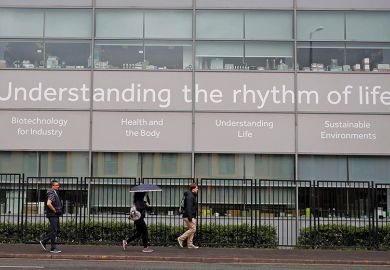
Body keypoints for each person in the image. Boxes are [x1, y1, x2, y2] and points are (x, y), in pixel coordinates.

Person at [39, 180, 63, 253]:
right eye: (56, 185)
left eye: (58, 185)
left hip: (55, 215)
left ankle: (44, 241)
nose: (58, 186)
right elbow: (49, 203)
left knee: (57, 230)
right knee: (54, 231)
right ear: (52, 186)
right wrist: (55, 210)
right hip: (53, 215)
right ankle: (52, 248)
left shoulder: (54, 192)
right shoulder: (51, 193)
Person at [178, 183, 199, 249]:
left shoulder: (191, 195)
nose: (197, 189)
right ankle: (181, 238)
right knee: (193, 229)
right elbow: (188, 207)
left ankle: (190, 244)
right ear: (193, 189)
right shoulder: (190, 196)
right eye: (196, 188)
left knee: (191, 229)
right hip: (189, 216)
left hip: (190, 215)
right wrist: (190, 217)